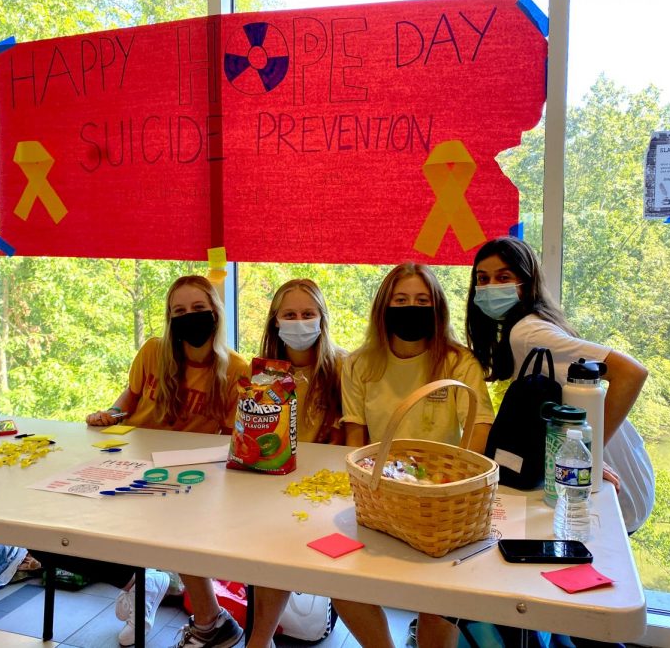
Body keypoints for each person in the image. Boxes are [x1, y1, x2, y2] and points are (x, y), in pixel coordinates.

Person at [336, 263, 495, 648]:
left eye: (422, 300)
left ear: (437, 307)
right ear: (383, 308)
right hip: (380, 494)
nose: (411, 308)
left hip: (442, 498)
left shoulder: (459, 362)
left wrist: (454, 485)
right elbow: (355, 439)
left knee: (439, 599)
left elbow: (479, 427)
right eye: (401, 300)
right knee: (340, 581)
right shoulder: (359, 364)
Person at [87, 275, 249, 648]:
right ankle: (143, 584)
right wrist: (109, 414)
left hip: (190, 472)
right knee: (71, 523)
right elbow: (127, 400)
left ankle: (208, 619)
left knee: (177, 517)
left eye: (198, 309)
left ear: (215, 314)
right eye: (179, 311)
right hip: (131, 457)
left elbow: (229, 438)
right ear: (169, 317)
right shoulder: (153, 351)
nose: (188, 317)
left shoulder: (236, 370)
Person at [465, 237, 653, 534]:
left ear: (526, 283)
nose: (490, 287)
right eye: (482, 278)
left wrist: (589, 456)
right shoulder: (530, 326)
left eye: (503, 277)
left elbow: (631, 372)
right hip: (603, 480)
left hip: (608, 483)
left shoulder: (528, 333)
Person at [243, 278, 346, 648]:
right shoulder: (262, 374)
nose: (299, 322)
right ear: (275, 321)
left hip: (324, 495)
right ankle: (259, 638)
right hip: (270, 487)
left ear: (322, 319)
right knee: (268, 548)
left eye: (308, 314)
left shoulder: (344, 369)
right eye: (289, 314)